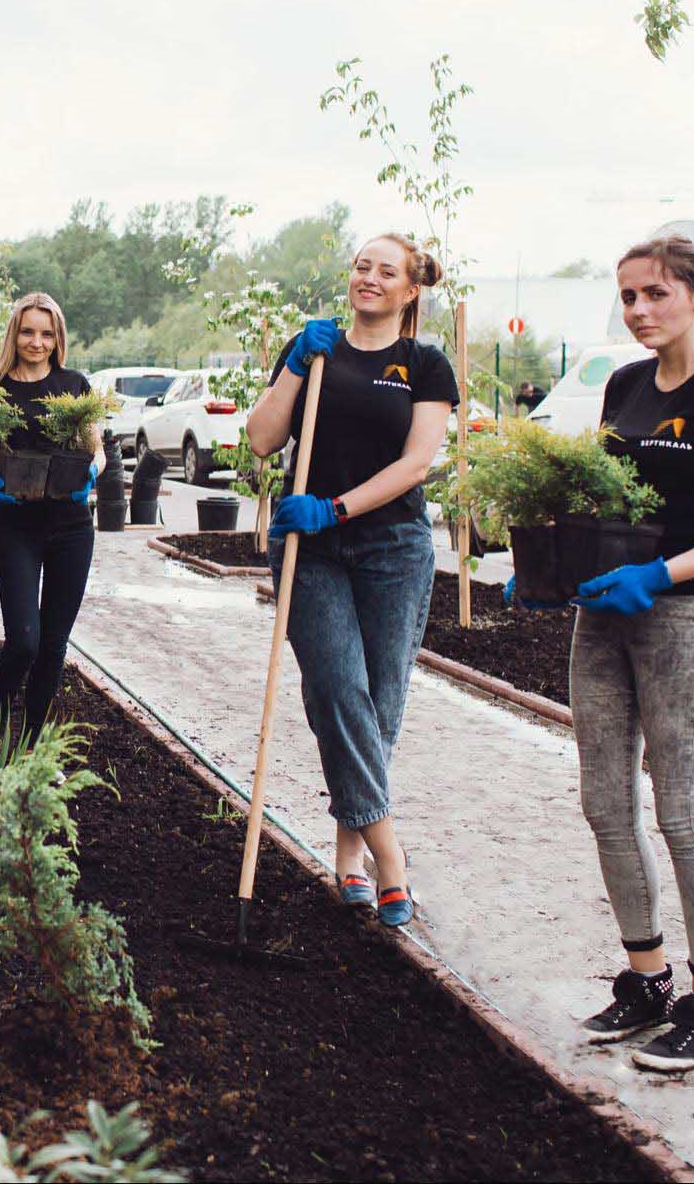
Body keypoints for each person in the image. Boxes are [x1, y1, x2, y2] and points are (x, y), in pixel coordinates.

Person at [549, 234, 694, 1072]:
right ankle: (646, 978)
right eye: (629, 297)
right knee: (605, 804)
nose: (640, 310)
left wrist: (661, 571)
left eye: (656, 294)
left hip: (690, 618)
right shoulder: (625, 384)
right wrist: (554, 561)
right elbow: (607, 501)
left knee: (680, 809)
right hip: (606, 616)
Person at [243, 234, 456, 928]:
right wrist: (296, 366)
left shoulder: (424, 365)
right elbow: (261, 439)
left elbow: (417, 462)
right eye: (362, 266)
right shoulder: (316, 347)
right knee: (337, 689)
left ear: (410, 289)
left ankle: (348, 853)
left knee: (378, 704)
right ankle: (391, 859)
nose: (368, 278)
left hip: (392, 544)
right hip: (311, 551)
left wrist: (336, 506)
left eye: (384, 271)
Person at [0, 292, 100, 732]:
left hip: (72, 528)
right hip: (17, 528)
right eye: (29, 331)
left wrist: (91, 470)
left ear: (58, 338)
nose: (37, 342)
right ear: (15, 333)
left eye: (47, 333)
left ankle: (33, 747)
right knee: (24, 642)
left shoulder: (74, 385)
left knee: (54, 646)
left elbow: (97, 450)